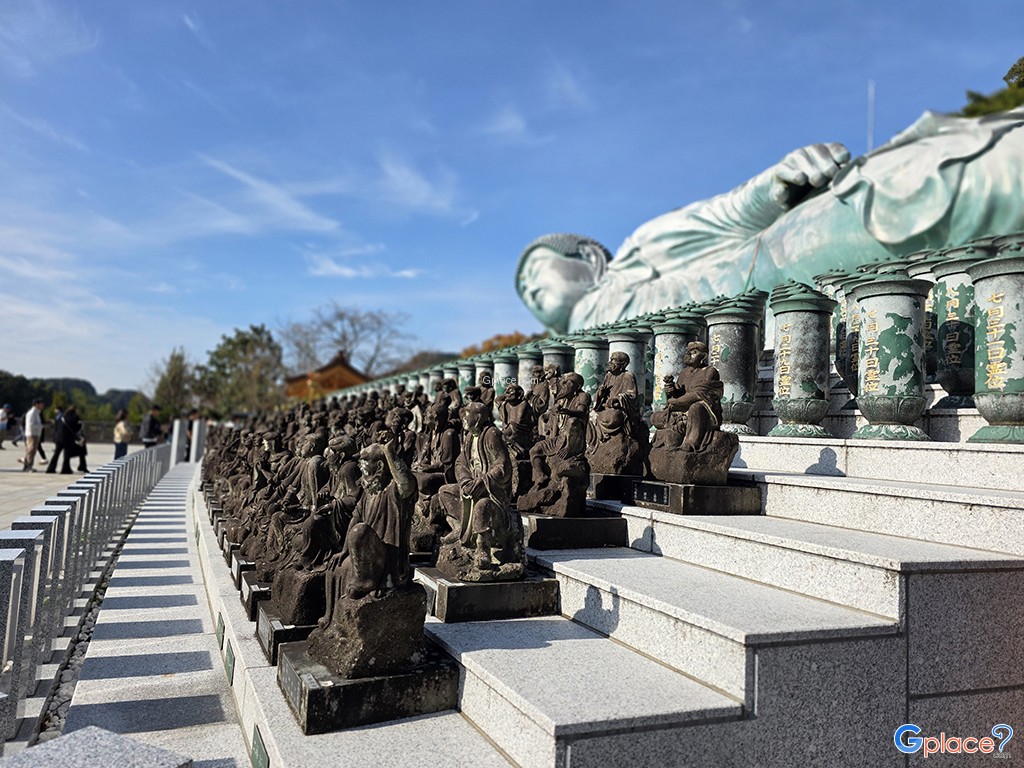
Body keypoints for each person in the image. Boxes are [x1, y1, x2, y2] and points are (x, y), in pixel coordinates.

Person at [517, 108, 1024, 333]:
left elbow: (728, 214)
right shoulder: (579, 334)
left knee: (899, 188)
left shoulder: (642, 248)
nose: (531, 295)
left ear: (587, 257)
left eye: (534, 277)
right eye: (525, 297)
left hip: (772, 258)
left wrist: (776, 184)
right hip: (767, 303)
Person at [20, 398, 45, 472]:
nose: (42, 405)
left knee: (31, 450)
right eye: (41, 404)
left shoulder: (37, 412)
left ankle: (26, 465)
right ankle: (28, 466)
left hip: (35, 433)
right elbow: (31, 424)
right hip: (32, 434)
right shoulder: (32, 413)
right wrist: (41, 426)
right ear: (36, 404)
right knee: (31, 450)